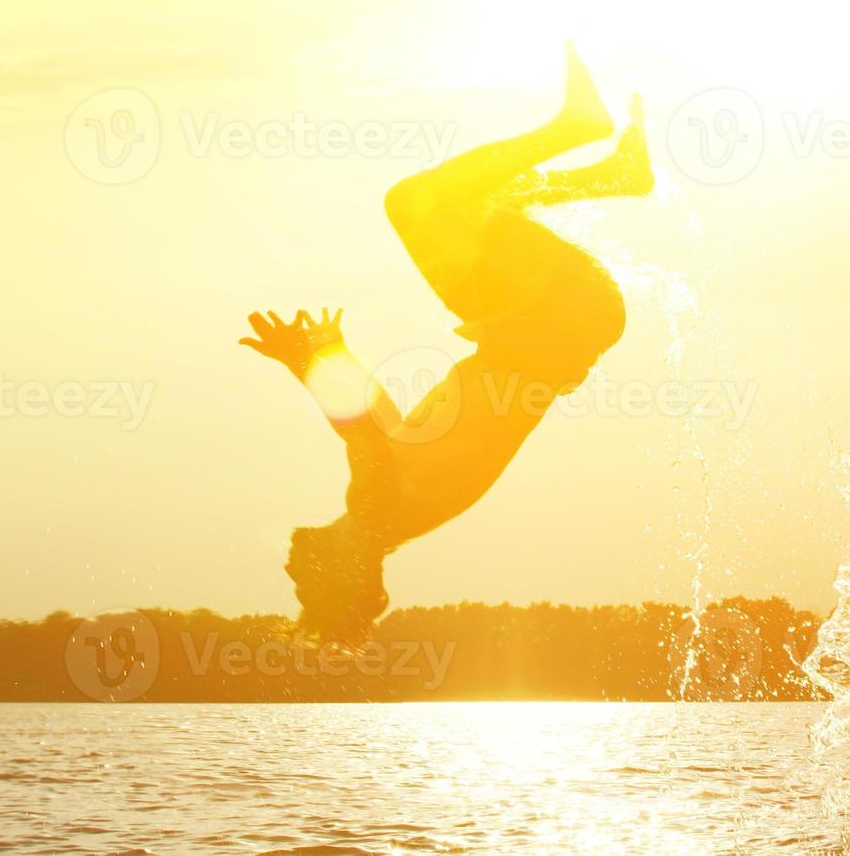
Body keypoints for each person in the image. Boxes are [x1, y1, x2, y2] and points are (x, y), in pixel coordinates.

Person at [238, 47, 650, 644]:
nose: (292, 576)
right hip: (548, 324)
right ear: (344, 577)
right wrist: (303, 363)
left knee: (469, 205)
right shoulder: (376, 511)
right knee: (413, 204)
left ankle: (614, 175)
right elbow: (359, 430)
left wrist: (331, 354)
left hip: (565, 325)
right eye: (307, 591)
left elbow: (384, 421)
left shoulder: (396, 513)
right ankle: (577, 130)